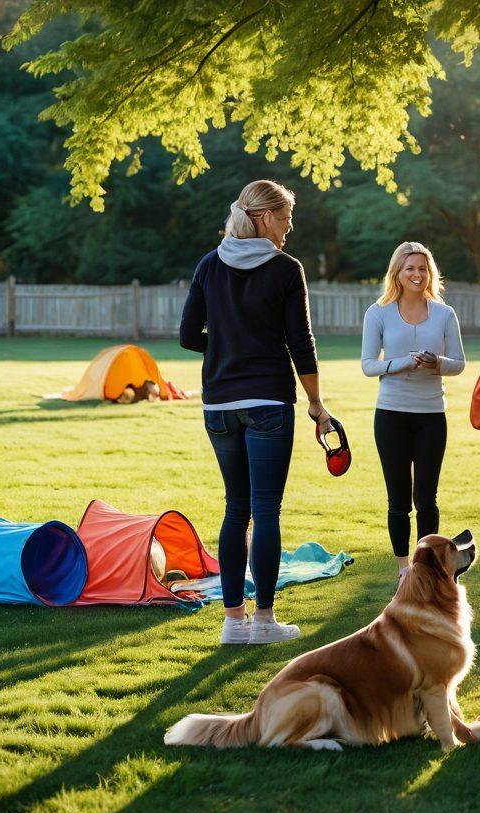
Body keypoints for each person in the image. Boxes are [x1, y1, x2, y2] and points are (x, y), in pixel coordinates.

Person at [180, 180, 338, 646]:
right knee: (266, 510)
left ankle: (233, 623)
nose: (290, 227)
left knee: (236, 509)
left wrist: (226, 348)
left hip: (219, 407)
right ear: (265, 216)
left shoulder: (210, 265)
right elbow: (301, 344)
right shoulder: (286, 268)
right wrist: (315, 402)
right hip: (268, 401)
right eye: (287, 217)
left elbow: (189, 336)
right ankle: (265, 622)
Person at [361, 242, 466, 585]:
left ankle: (427, 564)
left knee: (427, 497)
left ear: (430, 273)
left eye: (422, 268)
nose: (417, 274)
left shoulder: (444, 314)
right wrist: (401, 363)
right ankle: (403, 566)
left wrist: (437, 363)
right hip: (391, 415)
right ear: (397, 273)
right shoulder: (378, 312)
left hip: (431, 416)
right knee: (398, 499)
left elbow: (460, 364)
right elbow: (367, 366)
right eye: (410, 269)